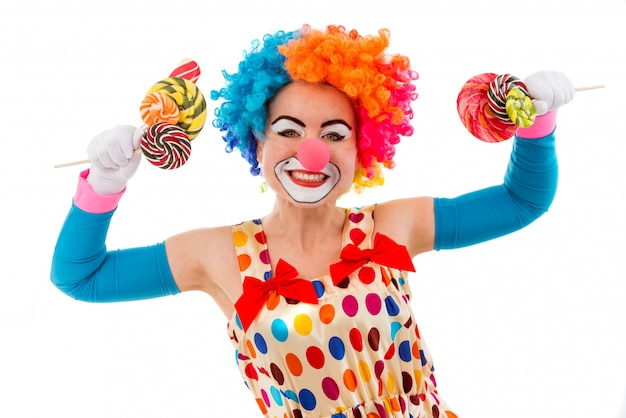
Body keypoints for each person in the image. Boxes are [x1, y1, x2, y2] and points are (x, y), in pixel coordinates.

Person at [51, 25, 575, 418]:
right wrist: (103, 186)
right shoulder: (217, 254)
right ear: (257, 141)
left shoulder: (393, 225)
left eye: (334, 133)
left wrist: (537, 123)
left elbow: (522, 200)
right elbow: (80, 276)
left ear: (361, 148)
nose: (311, 154)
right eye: (288, 129)